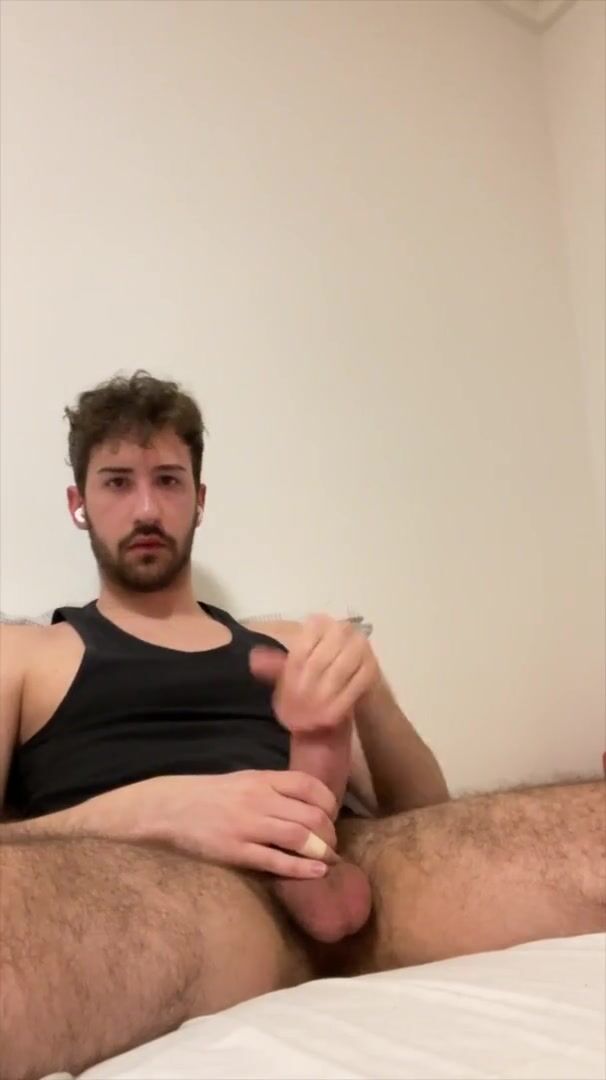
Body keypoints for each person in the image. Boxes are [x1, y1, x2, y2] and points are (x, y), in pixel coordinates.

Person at [1, 372, 603, 1080]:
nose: (146, 508)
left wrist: (370, 694)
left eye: (168, 480)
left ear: (200, 499)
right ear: (78, 504)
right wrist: (151, 812)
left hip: (353, 872)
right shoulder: (25, 655)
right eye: (116, 482)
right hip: (148, 891)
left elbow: (426, 817)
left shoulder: (289, 643)